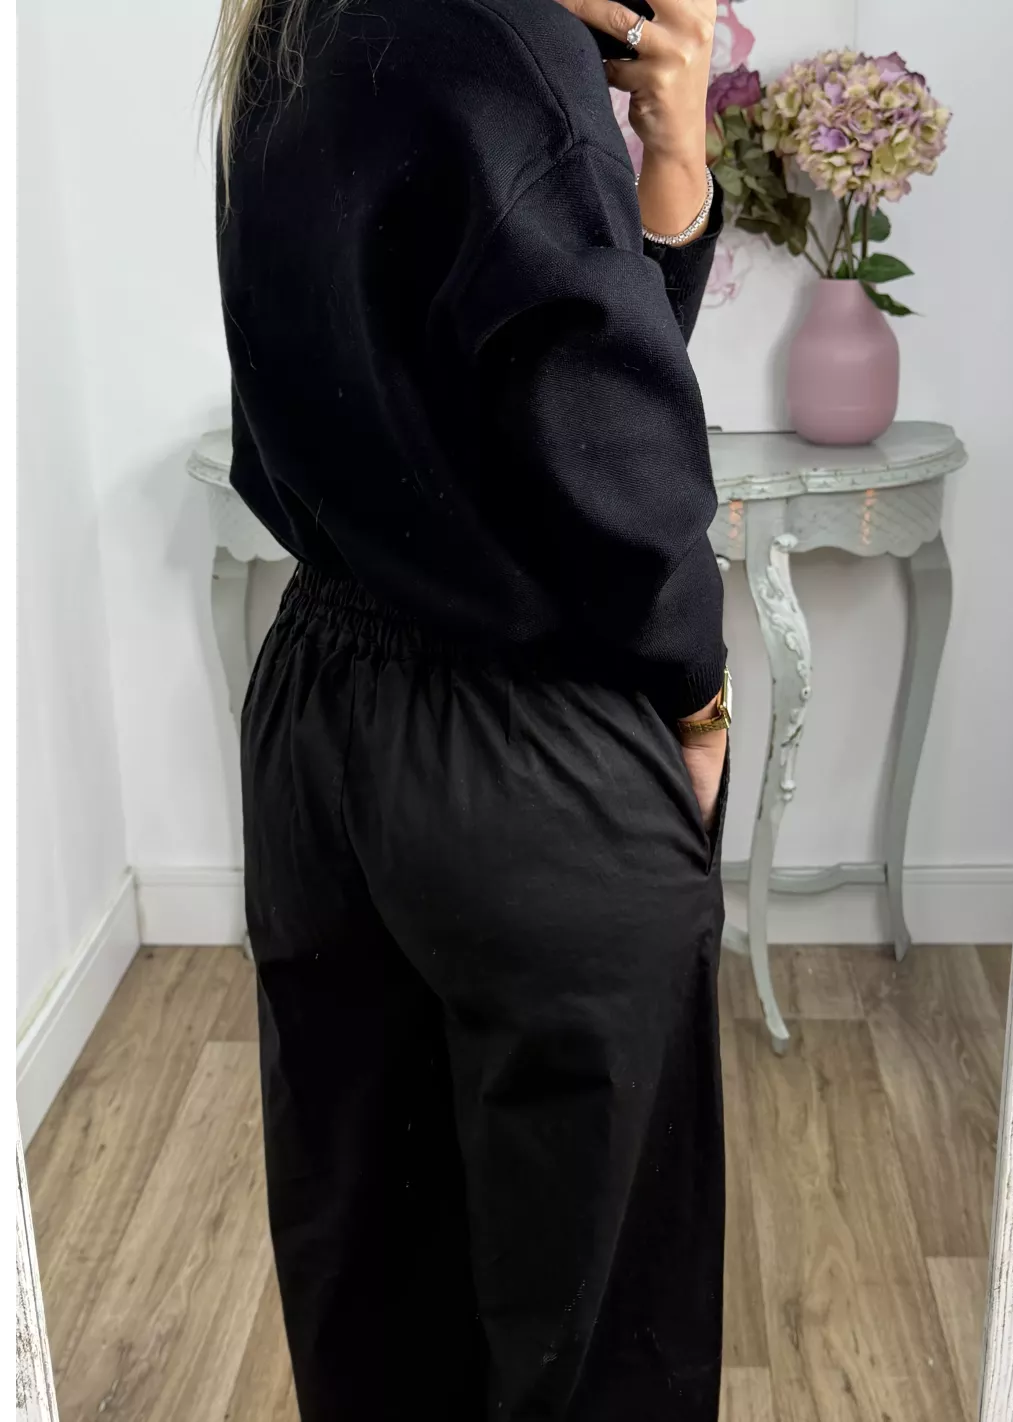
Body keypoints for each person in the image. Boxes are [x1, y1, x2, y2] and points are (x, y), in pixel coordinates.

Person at [211, 0, 731, 1416]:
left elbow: (548, 402)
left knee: (373, 1306)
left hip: (319, 724)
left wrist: (669, 171)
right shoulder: (507, 48)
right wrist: (696, 698)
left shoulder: (285, 32)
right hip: (528, 749)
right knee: (599, 1347)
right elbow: (616, 485)